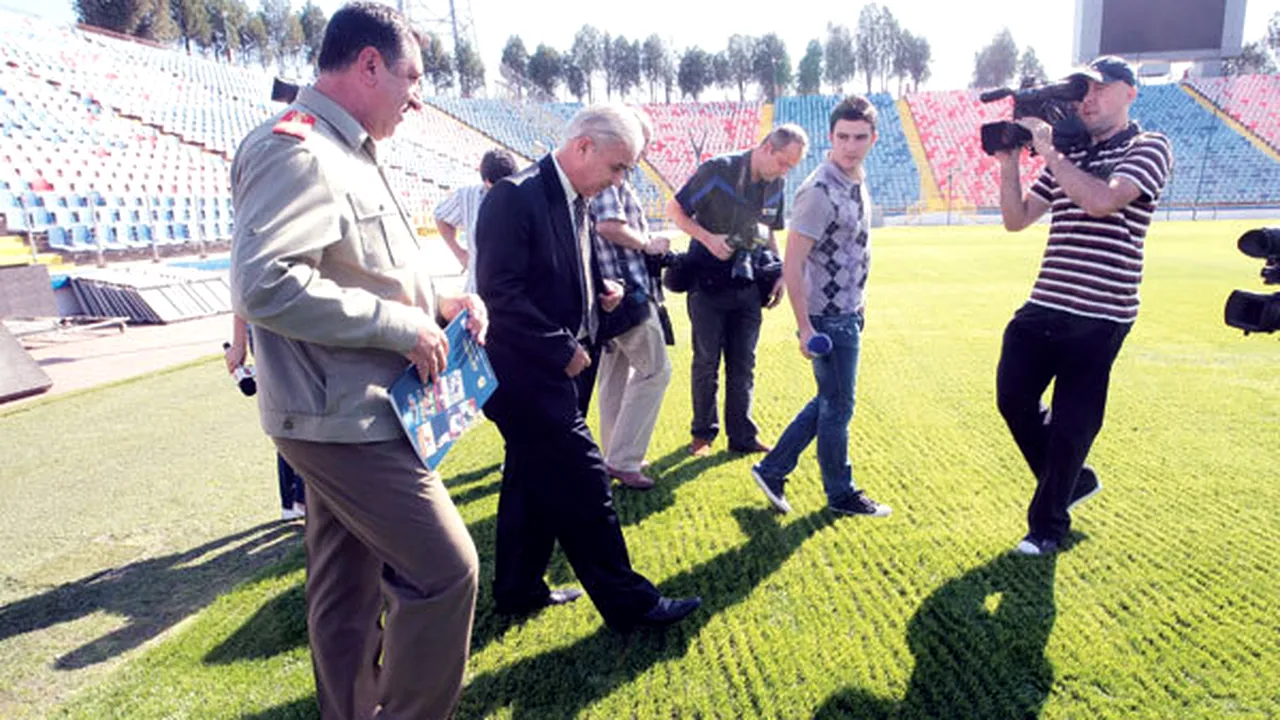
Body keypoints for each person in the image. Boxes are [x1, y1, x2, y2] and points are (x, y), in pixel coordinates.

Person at [228, 4, 486, 717]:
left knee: (345, 590)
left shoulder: (346, 149)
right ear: (368, 64)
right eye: (411, 76)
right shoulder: (298, 148)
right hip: (341, 416)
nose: (417, 95)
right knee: (445, 570)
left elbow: (357, 267)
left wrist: (439, 304)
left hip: (347, 408)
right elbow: (266, 283)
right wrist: (402, 325)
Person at [475, 103, 701, 631]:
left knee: (529, 483)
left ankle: (517, 589)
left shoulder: (574, 196)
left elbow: (551, 271)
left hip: (565, 367)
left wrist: (596, 292)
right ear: (582, 147)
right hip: (528, 375)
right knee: (586, 481)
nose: (620, 180)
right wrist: (560, 346)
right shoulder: (515, 196)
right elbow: (500, 293)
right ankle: (631, 605)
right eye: (618, 167)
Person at [996, 55, 1172, 556]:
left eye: (1098, 89)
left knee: (1075, 418)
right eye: (1081, 92)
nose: (1086, 100)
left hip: (1103, 310)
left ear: (1129, 92)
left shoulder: (1149, 147)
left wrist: (1048, 149)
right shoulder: (1070, 154)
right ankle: (1073, 481)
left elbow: (1101, 201)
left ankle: (1048, 527)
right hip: (1046, 302)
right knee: (1013, 398)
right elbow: (1016, 219)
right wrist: (1011, 159)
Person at [749, 96, 892, 519]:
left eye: (859, 137)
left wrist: (859, 305)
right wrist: (805, 327)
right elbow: (792, 264)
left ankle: (773, 469)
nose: (850, 146)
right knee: (838, 406)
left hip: (849, 311)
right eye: (842, 137)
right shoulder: (819, 190)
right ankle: (840, 493)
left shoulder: (855, 179)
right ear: (830, 137)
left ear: (873, 139)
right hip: (827, 318)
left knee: (830, 399)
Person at [666, 125, 808, 457]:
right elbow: (675, 210)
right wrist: (708, 239)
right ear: (766, 147)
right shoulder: (717, 169)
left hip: (749, 283)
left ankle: (742, 435)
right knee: (706, 362)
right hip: (706, 282)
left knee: (744, 363)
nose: (785, 171)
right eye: (784, 162)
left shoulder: (777, 184)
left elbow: (770, 232)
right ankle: (703, 434)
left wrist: (780, 273)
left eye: (791, 166)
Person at [590, 109, 672, 490]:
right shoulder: (611, 174)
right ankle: (623, 458)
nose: (644, 151)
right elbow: (608, 225)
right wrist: (648, 243)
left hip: (609, 293)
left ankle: (615, 453)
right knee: (656, 370)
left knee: (615, 377)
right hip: (625, 293)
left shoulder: (605, 173)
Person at [225, 314, 306, 520]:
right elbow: (243, 290)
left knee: (291, 416)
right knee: (298, 415)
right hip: (278, 327)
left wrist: (239, 342)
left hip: (277, 324)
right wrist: (238, 342)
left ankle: (294, 500)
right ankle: (299, 499)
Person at [434, 148, 519, 292]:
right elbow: (440, 216)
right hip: (477, 292)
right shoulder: (467, 196)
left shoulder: (525, 196)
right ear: (486, 181)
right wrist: (459, 253)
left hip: (514, 295)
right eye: (499, 186)